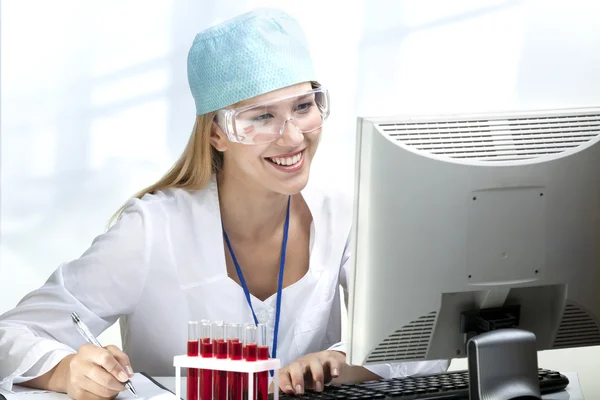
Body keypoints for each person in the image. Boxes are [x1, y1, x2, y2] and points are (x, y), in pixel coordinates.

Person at [0, 8, 449, 400]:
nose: (292, 136)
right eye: (261, 117)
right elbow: (11, 334)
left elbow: (423, 340)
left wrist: (335, 366)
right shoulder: (153, 230)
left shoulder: (344, 215)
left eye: (303, 106)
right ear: (216, 134)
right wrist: (66, 372)